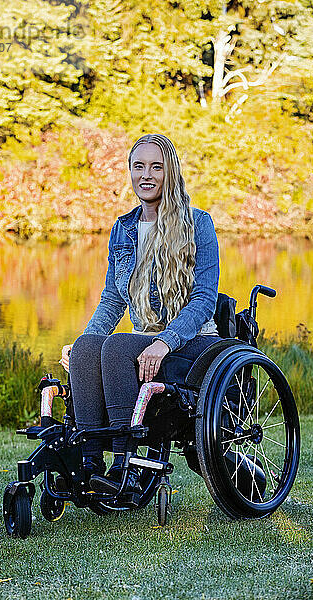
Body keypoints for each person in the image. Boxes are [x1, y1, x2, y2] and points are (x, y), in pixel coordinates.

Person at [60, 133, 221, 495]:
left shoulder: (198, 224)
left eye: (156, 167)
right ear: (130, 172)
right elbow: (112, 301)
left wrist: (165, 341)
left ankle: (125, 467)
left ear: (171, 172)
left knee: (117, 347)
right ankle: (89, 464)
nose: (145, 175)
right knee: (88, 347)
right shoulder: (124, 229)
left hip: (193, 342)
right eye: (138, 166)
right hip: (144, 340)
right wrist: (81, 340)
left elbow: (203, 301)